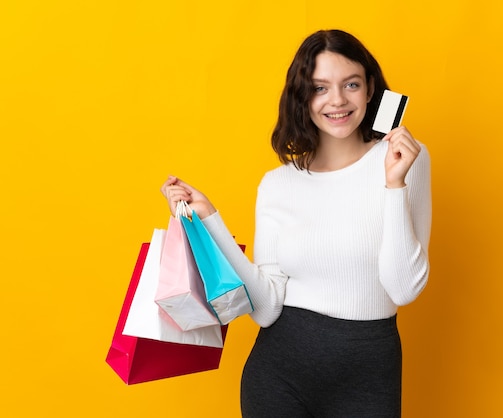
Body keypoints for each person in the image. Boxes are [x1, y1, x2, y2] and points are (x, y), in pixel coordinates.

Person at [161, 29, 431, 418]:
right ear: (303, 99)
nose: (336, 100)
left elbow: (403, 289)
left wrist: (394, 184)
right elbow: (267, 308)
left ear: (371, 88)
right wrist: (210, 219)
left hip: (369, 373)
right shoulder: (277, 184)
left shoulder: (406, 159)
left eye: (350, 84)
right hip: (279, 375)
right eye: (319, 88)